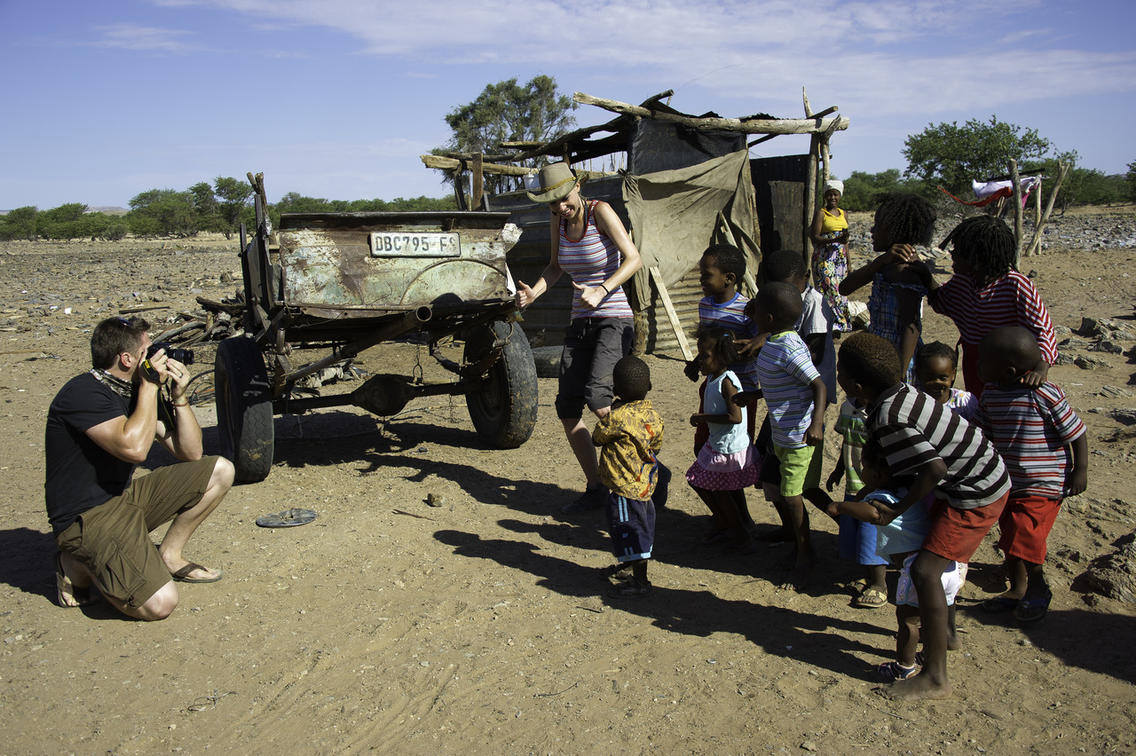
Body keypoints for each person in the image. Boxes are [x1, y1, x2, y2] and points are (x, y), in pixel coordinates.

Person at [836, 331, 1010, 700]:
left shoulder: (890, 416)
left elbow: (934, 468)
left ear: (855, 385)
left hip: (975, 493)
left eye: (840, 372)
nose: (838, 377)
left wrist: (898, 509)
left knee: (925, 571)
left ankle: (934, 676)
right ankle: (946, 635)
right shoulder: (901, 394)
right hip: (981, 476)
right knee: (934, 563)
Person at [45, 316, 234, 620]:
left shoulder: (137, 391)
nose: (157, 357)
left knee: (220, 470)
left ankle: (169, 555)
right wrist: (148, 386)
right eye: (148, 351)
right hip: (86, 520)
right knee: (160, 604)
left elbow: (191, 452)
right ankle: (76, 564)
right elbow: (134, 449)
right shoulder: (83, 393)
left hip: (123, 499)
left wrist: (179, 397)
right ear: (126, 359)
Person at [516, 162, 644, 513]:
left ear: (578, 187)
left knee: (599, 399)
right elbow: (555, 266)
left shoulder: (600, 212)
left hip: (613, 317)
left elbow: (634, 258)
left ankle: (647, 466)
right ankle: (596, 486)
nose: (560, 207)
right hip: (580, 320)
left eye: (564, 199)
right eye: (552, 202)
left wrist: (602, 289)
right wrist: (534, 293)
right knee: (568, 407)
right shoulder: (557, 219)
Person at [814, 439, 963, 682]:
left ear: (879, 474)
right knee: (933, 615)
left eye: (864, 467)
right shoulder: (911, 490)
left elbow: (874, 513)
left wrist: (841, 506)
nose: (861, 471)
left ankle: (904, 667)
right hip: (944, 565)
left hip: (917, 570)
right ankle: (938, 646)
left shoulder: (883, 498)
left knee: (908, 622)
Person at [975, 327, 1088, 623]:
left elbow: (1076, 433)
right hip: (1008, 482)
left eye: (983, 361)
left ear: (1008, 370)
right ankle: (1018, 590)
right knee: (1011, 535)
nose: (978, 366)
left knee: (1024, 533)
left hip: (1043, 482)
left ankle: (1038, 587)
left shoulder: (1043, 394)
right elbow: (983, 432)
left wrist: (1080, 470)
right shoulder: (991, 394)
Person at [918, 215, 1058, 396]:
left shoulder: (1015, 285)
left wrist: (1041, 368)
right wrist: (922, 274)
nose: (952, 254)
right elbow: (942, 302)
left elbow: (1043, 330)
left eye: (958, 250)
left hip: (1010, 368)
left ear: (977, 259)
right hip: (976, 363)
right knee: (980, 404)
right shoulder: (963, 281)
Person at [752, 283, 827, 588]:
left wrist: (817, 424)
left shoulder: (789, 347)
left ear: (769, 317)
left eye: (757, 310)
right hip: (782, 434)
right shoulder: (773, 341)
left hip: (799, 436)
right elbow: (783, 384)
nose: (753, 314)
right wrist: (754, 395)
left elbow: (818, 385)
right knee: (792, 490)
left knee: (792, 496)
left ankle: (806, 555)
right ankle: (801, 541)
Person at [838, 193, 936, 382]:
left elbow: (911, 328)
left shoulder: (904, 271)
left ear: (893, 230)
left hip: (897, 360)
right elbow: (845, 288)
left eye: (878, 225)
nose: (872, 231)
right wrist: (881, 260)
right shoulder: (886, 265)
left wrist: (899, 375)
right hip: (882, 354)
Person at [592, 356, 666, 598]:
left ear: (616, 389)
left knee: (629, 531)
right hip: (645, 485)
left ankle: (641, 581)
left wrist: (612, 411)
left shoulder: (616, 417)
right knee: (639, 528)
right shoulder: (654, 416)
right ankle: (627, 568)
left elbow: (596, 438)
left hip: (624, 488)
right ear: (649, 386)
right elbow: (656, 446)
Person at [685, 328, 760, 550]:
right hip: (719, 444)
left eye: (705, 356)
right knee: (711, 487)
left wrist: (703, 418)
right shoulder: (712, 377)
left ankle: (738, 533)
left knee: (713, 488)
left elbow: (735, 417)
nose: (700, 360)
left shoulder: (727, 381)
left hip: (728, 449)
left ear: (721, 357)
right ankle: (729, 525)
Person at [825, 394, 888, 609]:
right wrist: (838, 470)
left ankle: (880, 584)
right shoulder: (847, 407)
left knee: (871, 535)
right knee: (858, 533)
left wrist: (875, 484)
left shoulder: (881, 413)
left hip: (874, 485)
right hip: (853, 483)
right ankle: (868, 576)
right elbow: (847, 441)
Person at [809, 179, 853, 332]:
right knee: (829, 288)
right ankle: (833, 321)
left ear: (840, 196)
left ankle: (842, 323)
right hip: (824, 257)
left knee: (841, 289)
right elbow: (814, 236)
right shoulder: (821, 214)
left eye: (835, 194)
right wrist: (833, 240)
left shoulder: (843, 214)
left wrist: (849, 262)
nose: (832, 198)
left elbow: (845, 241)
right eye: (829, 195)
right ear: (825, 196)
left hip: (840, 259)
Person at [914, 341, 978, 422]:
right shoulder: (915, 401)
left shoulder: (963, 402)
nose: (937, 382)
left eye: (942, 378)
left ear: (953, 374)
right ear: (919, 374)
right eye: (930, 378)